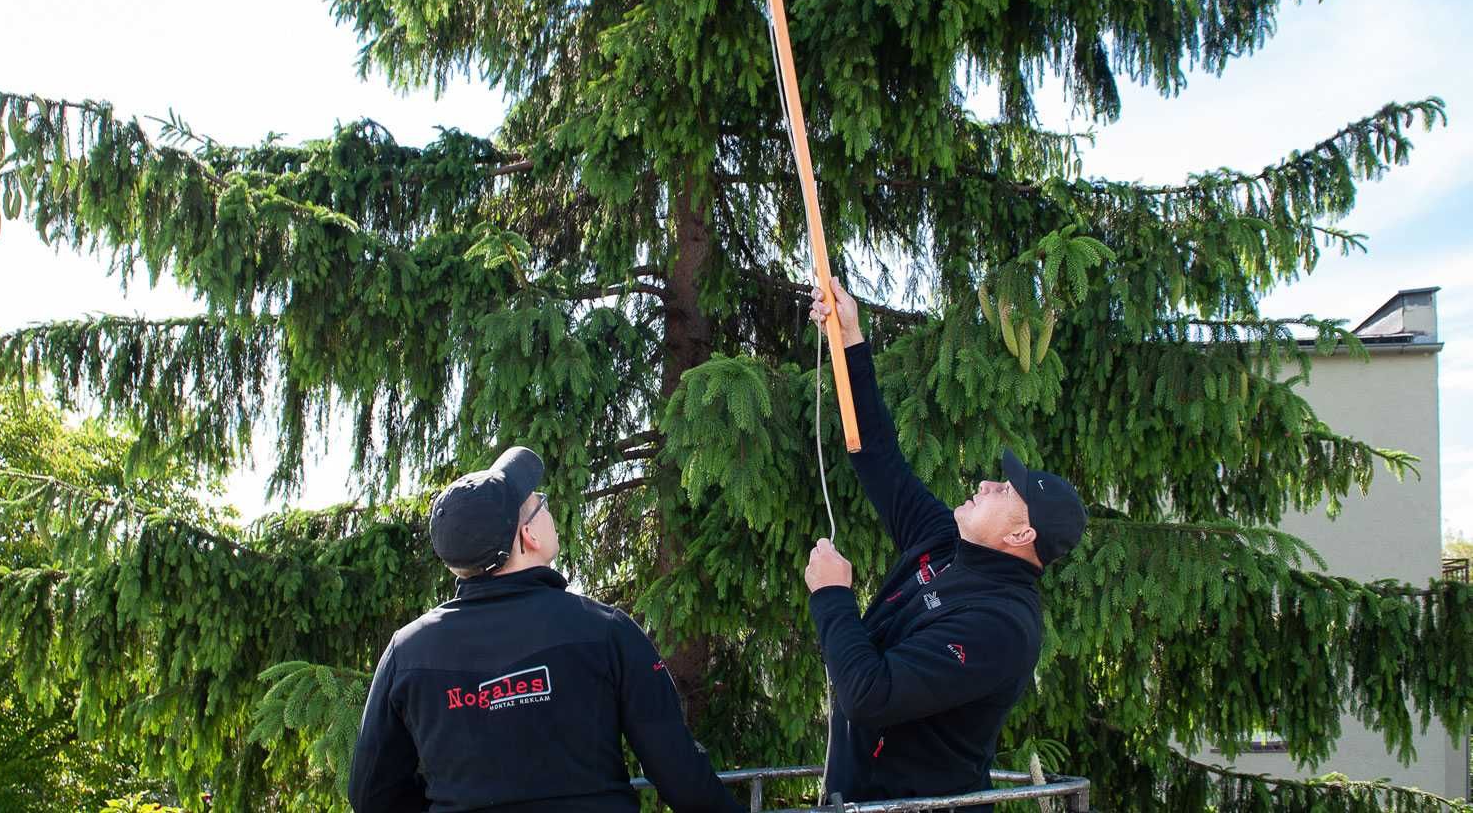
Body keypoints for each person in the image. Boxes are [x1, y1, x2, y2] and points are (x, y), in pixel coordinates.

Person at [805, 279, 1088, 811]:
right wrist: (849, 340)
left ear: (1022, 535)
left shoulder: (1003, 626)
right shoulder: (944, 541)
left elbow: (870, 694)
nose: (986, 484)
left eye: (1005, 490)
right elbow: (879, 459)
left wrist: (832, 597)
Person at [348, 446, 744, 813]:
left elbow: (372, 793)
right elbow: (680, 775)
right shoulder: (605, 631)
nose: (548, 510)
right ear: (528, 535)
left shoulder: (408, 652)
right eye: (541, 505)